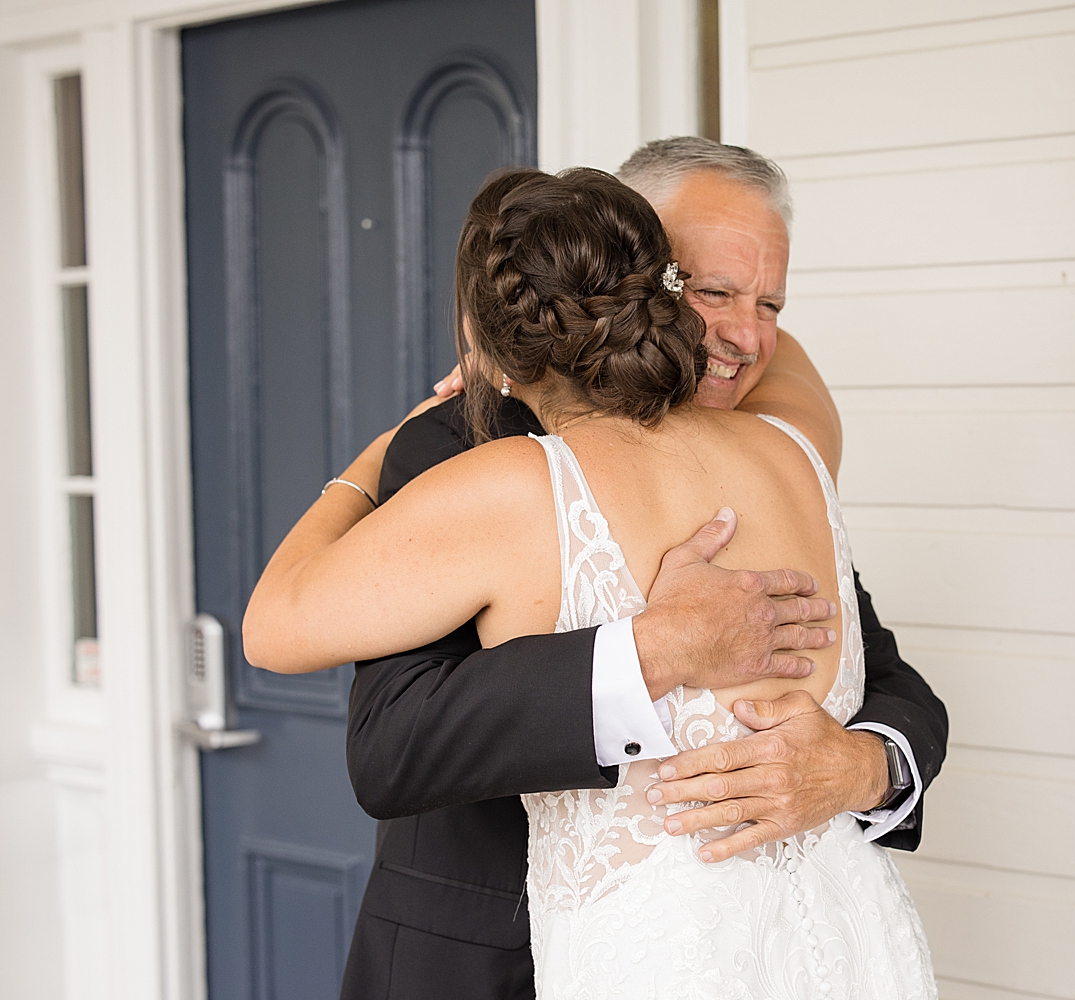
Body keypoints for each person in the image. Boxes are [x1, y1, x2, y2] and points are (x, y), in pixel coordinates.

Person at [243, 165, 937, 997]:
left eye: (770, 306)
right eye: (709, 290)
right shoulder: (793, 452)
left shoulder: (740, 440)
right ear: (653, 279)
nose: (745, 338)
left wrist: (868, 766)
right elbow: (392, 746)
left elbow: (272, 629)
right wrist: (650, 650)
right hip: (519, 955)